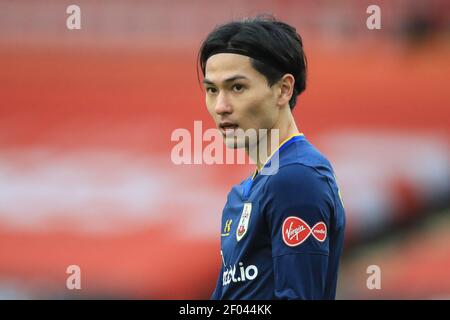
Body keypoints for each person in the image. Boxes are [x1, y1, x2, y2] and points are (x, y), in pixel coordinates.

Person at [198, 15, 346, 300]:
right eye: (212, 90)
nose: (221, 106)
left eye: (237, 87)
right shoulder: (245, 192)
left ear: (283, 89)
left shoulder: (296, 179)